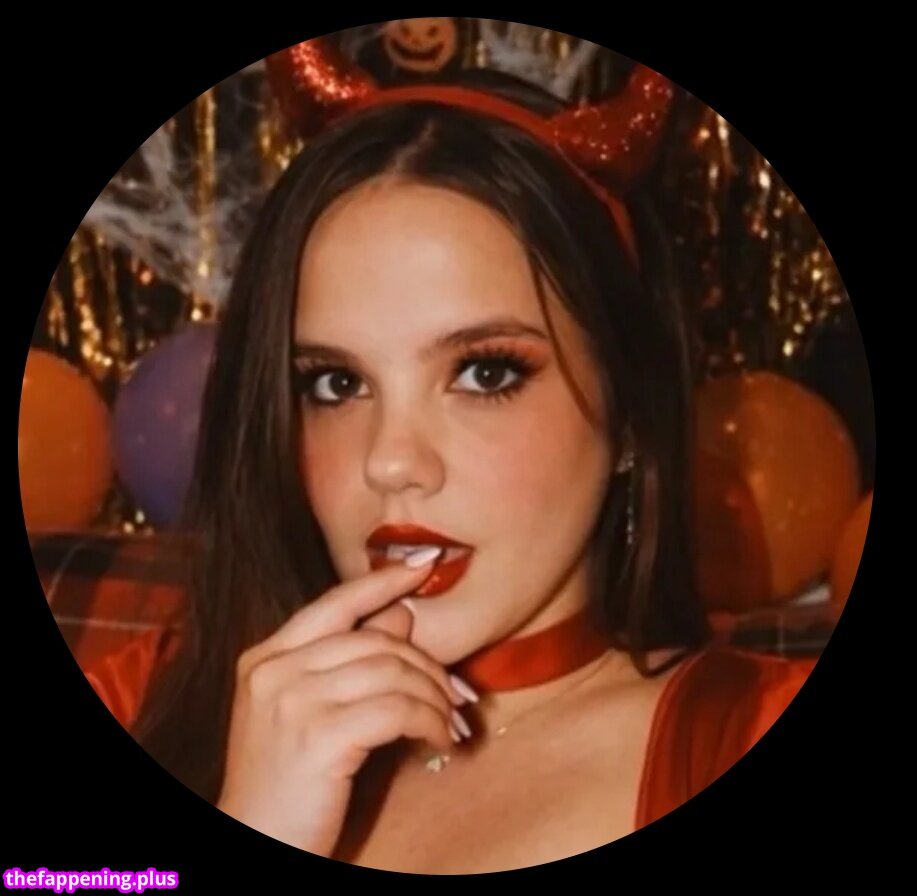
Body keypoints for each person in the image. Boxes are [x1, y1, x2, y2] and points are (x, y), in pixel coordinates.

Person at [82, 39, 814, 873]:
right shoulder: (142, 697)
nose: (390, 462)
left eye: (483, 373)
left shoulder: (746, 731)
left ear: (631, 416)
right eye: (334, 384)